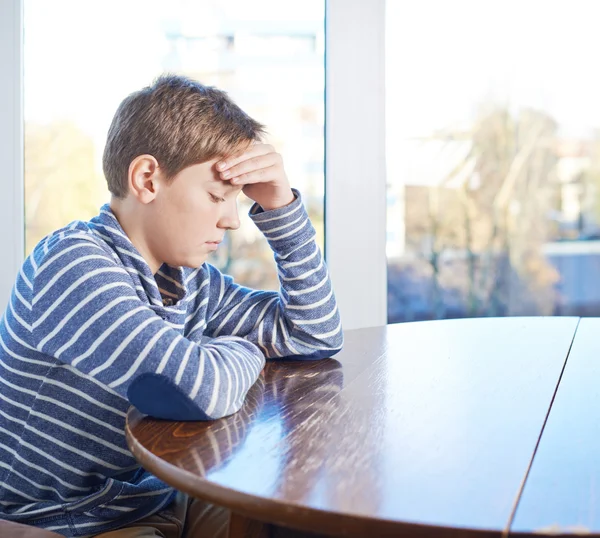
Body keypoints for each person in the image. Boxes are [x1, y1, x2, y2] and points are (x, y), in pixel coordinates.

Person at [0, 74, 343, 537]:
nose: (232, 219)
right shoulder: (71, 264)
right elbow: (196, 388)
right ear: (146, 179)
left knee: (301, 519)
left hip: (152, 497)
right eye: (216, 196)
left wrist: (281, 207)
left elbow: (313, 334)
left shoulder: (189, 280)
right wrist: (248, 350)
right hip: (69, 522)